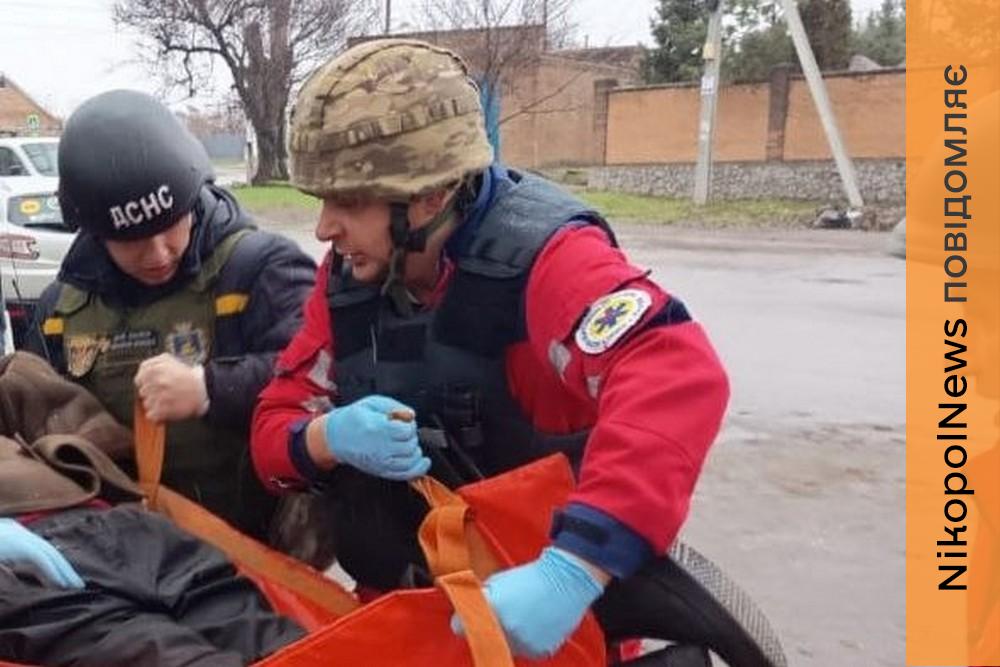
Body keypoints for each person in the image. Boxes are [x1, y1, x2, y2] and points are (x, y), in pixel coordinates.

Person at [251, 39, 730, 659]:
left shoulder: (547, 261)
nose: (324, 230)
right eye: (322, 203)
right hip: (408, 621)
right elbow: (273, 430)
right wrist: (324, 438)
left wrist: (574, 570)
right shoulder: (349, 279)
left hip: (544, 630)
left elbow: (676, 372)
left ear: (428, 196)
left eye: (349, 203)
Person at [25, 90, 316, 540]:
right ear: (96, 234)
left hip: (264, 551)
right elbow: (32, 420)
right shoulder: (59, 312)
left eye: (171, 226)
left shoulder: (260, 269)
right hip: (131, 551)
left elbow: (321, 379)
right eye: (133, 241)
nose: (159, 253)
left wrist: (209, 390)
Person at [0, 351, 304, 667]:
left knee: (138, 639)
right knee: (246, 625)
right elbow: (98, 438)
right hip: (106, 519)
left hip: (71, 534)